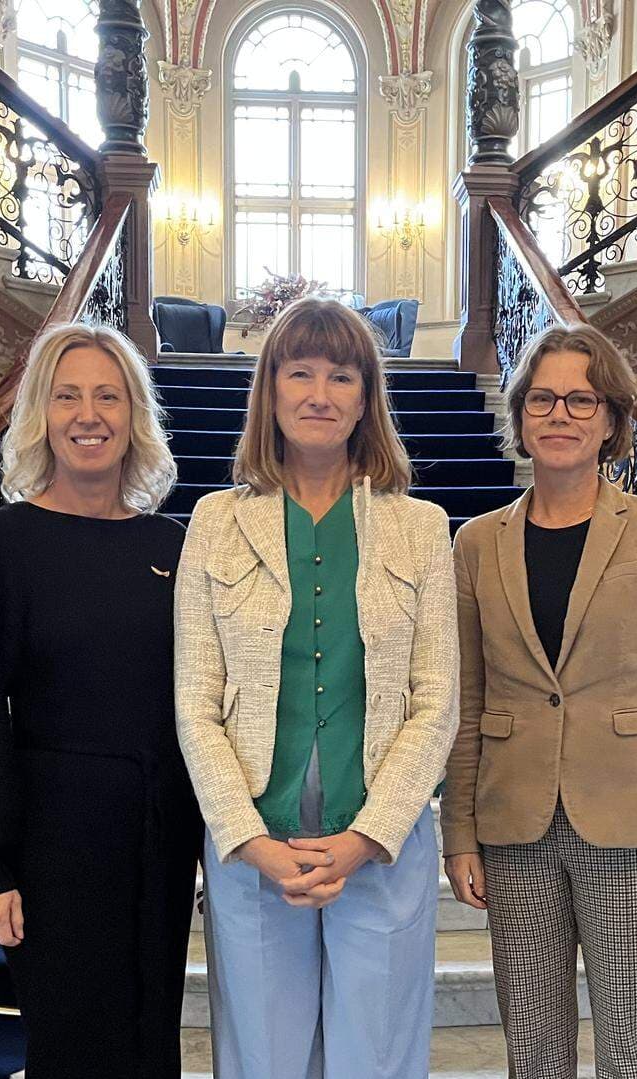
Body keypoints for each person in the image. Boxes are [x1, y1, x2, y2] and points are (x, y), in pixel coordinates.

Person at [173, 298, 458, 1079]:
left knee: (379, 1060)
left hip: (380, 843)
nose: (319, 393)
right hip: (254, 843)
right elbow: (196, 702)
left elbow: (437, 703)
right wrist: (246, 837)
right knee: (262, 1060)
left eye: (341, 375)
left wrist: (368, 835)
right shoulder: (215, 521)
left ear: (367, 396)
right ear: (270, 389)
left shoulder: (422, 527)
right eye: (299, 372)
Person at [441, 324, 637, 1079]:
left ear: (609, 419)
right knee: (533, 1046)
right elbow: (466, 700)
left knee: (634, 1043)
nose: (560, 414)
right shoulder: (475, 542)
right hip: (513, 823)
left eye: (580, 399)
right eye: (543, 398)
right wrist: (458, 832)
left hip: (629, 823)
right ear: (521, 414)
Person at [0, 323, 200, 1078]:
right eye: (67, 395)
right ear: (40, 415)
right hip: (54, 847)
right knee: (74, 1048)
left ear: (134, 414)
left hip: (158, 836)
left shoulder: (171, 546)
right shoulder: (1, 545)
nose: (89, 414)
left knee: (151, 1043)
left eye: (108, 396)